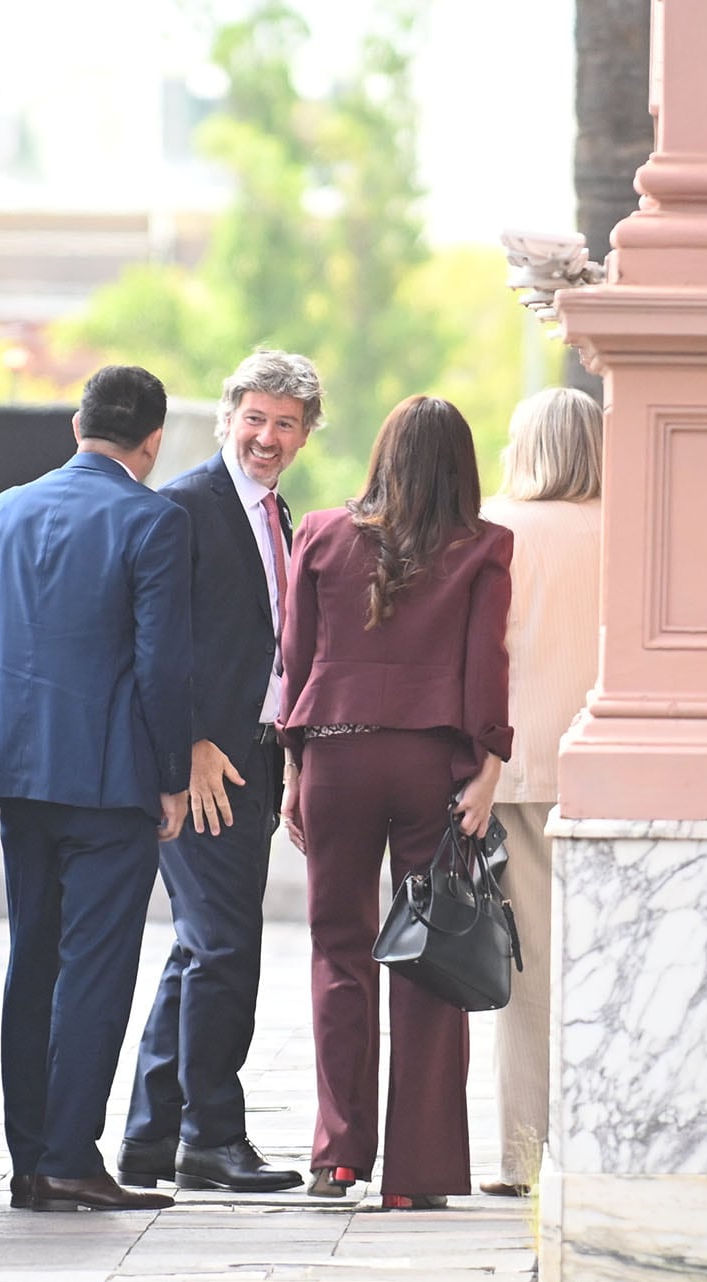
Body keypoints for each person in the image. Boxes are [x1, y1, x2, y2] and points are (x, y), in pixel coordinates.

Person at [0, 364, 194, 1213]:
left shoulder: (5, 508)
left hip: (20, 769)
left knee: (34, 959)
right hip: (109, 775)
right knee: (95, 965)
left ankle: (31, 1158)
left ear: (76, 424)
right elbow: (162, 668)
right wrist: (170, 777)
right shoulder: (152, 520)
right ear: (153, 442)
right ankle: (67, 1156)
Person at [278, 395, 512, 1209]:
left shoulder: (320, 532)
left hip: (333, 755)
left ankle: (338, 1155)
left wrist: (291, 774)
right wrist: (488, 770)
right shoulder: (483, 547)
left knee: (338, 951)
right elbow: (486, 669)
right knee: (431, 955)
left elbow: (295, 659)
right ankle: (416, 1175)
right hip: (430, 764)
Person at [117, 350, 322, 1195]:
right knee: (226, 945)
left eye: (284, 424)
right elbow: (153, 642)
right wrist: (192, 744)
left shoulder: (277, 512)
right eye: (254, 418)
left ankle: (148, 1138)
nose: (266, 437)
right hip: (205, 764)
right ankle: (212, 1137)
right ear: (227, 417)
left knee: (200, 947)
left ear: (306, 435)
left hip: (259, 757)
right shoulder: (184, 508)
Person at [476, 387, 603, 1197]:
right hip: (614, 765)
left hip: (517, 770)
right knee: (603, 963)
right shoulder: (638, 521)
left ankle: (527, 1156)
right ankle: (605, 1138)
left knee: (528, 979)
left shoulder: (496, 527)